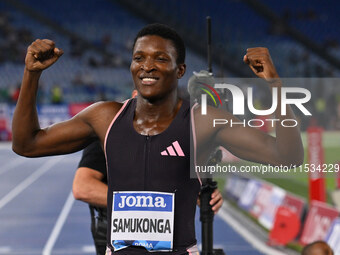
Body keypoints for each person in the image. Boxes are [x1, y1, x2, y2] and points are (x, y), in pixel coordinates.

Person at [12, 23, 303, 254]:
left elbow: (287, 157)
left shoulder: (202, 122)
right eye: (139, 58)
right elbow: (26, 144)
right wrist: (31, 74)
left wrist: (274, 85)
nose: (147, 66)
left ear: (180, 71)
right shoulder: (105, 117)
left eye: (160, 58)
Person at [73, 140, 224, 255]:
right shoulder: (108, 131)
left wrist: (201, 195)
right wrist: (146, 204)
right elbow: (82, 187)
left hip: (168, 235)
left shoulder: (176, 133)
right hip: (119, 235)